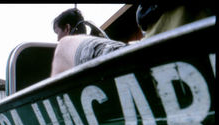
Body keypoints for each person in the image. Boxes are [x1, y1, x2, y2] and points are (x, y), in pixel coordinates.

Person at [50, 5, 214, 77]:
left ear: (66, 28)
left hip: (149, 61)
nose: (57, 38)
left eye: (57, 32)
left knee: (63, 47)